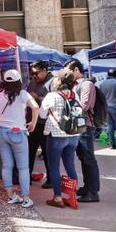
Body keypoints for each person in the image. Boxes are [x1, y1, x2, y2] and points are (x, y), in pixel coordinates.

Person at [0, 70, 39, 208]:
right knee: (23, 167)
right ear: (19, 80)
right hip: (18, 133)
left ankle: (11, 195)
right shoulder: (23, 94)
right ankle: (25, 198)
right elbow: (36, 107)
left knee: (7, 166)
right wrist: (33, 123)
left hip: (2, 132)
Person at [40, 72, 82, 209]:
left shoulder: (52, 95)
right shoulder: (75, 94)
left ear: (59, 81)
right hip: (73, 134)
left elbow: (41, 114)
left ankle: (58, 197)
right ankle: (73, 196)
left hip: (56, 134)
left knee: (54, 167)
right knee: (70, 165)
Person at [64, 60, 101, 203]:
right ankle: (87, 187)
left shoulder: (87, 84)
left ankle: (93, 192)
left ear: (76, 70)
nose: (67, 75)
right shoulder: (75, 85)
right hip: (77, 126)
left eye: (68, 71)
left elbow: (84, 105)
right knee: (82, 158)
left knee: (88, 158)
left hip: (85, 125)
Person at [26, 61, 54, 187]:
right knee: (29, 152)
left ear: (44, 70)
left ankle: (51, 179)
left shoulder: (53, 82)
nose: (34, 76)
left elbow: (55, 100)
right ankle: (27, 177)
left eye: (36, 73)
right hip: (32, 122)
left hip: (46, 123)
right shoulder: (33, 82)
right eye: (32, 74)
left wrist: (37, 97)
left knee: (48, 153)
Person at [98, 69, 116, 149]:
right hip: (115, 107)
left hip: (106, 107)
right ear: (115, 75)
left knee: (110, 126)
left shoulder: (102, 84)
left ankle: (112, 144)